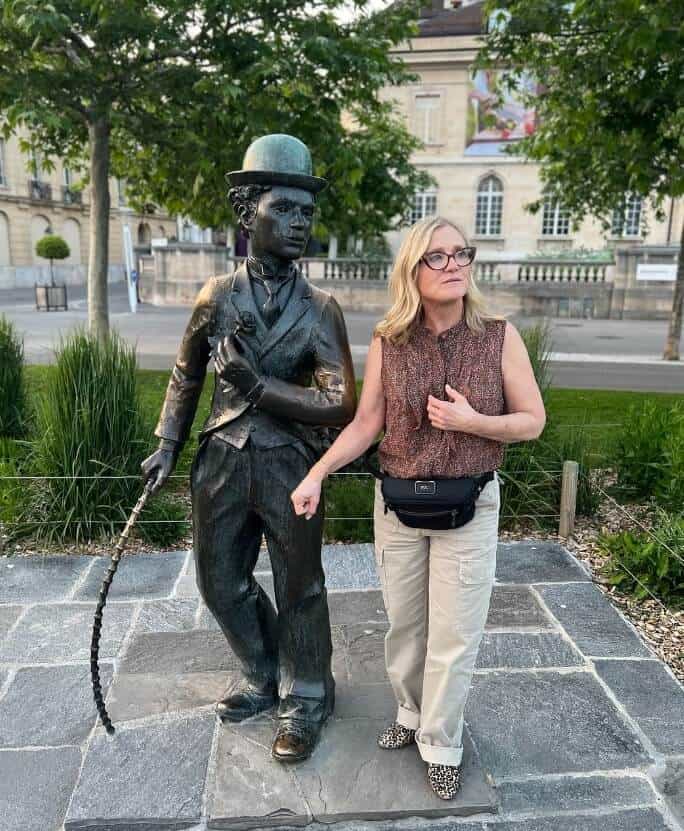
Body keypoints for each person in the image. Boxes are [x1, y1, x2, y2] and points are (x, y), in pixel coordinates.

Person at [291, 216, 546, 798]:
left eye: (462, 253)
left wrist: (474, 423)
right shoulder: (390, 340)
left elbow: (532, 420)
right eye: (439, 256)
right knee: (406, 627)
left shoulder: (498, 336)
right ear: (413, 270)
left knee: (455, 633)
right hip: (399, 506)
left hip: (469, 505)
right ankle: (409, 714)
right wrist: (317, 473)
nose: (455, 264)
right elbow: (366, 423)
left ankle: (441, 741)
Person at [142, 134, 356, 763]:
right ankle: (263, 673)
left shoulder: (322, 310)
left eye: (307, 214)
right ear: (246, 215)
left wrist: (260, 389)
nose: (298, 224)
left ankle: (308, 694)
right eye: (283, 210)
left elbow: (339, 402)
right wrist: (168, 444)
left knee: (301, 586)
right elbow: (185, 374)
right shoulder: (215, 297)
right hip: (222, 463)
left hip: (292, 465)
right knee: (219, 580)